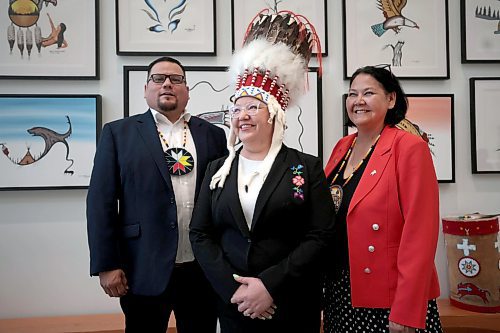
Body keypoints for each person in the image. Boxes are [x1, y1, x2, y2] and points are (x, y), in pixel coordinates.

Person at [189, 10, 335, 333]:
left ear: (275, 115)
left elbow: (320, 235)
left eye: (253, 106)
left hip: (292, 305)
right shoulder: (218, 170)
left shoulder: (305, 167)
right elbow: (201, 234)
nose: (242, 115)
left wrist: (268, 286)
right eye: (237, 108)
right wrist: (236, 291)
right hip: (235, 309)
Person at [87, 56, 227, 333]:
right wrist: (106, 264)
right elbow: (100, 202)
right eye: (158, 78)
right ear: (146, 88)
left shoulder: (213, 135)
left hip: (202, 269)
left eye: (176, 79)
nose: (167, 84)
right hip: (142, 266)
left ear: (186, 89)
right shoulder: (119, 133)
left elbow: (222, 200)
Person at [323, 65, 443, 333]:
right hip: (340, 291)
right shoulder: (342, 147)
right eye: (352, 94)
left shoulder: (409, 147)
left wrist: (407, 309)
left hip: (389, 297)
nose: (358, 101)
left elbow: (420, 234)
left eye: (368, 93)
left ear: (391, 99)